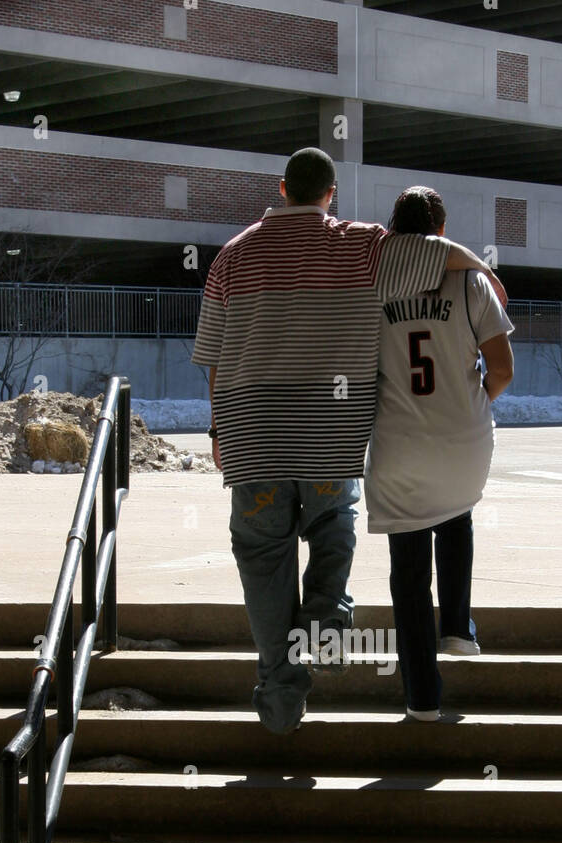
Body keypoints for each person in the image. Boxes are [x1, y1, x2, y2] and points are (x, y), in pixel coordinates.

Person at [191, 148, 507, 734]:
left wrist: (219, 428)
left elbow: (210, 356)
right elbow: (429, 251)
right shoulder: (358, 244)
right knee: (332, 525)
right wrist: (482, 270)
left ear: (281, 190)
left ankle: (282, 697)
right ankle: (327, 622)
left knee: (263, 562)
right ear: (331, 194)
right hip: (328, 440)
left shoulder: (231, 258)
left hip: (253, 439)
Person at [364, 186, 514, 721]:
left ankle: (422, 698)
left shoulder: (371, 281)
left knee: (407, 572)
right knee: (457, 509)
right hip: (464, 439)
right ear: (442, 232)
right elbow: (502, 369)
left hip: (399, 445)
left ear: (393, 231)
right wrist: (473, 402)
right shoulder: (471, 280)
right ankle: (456, 625)